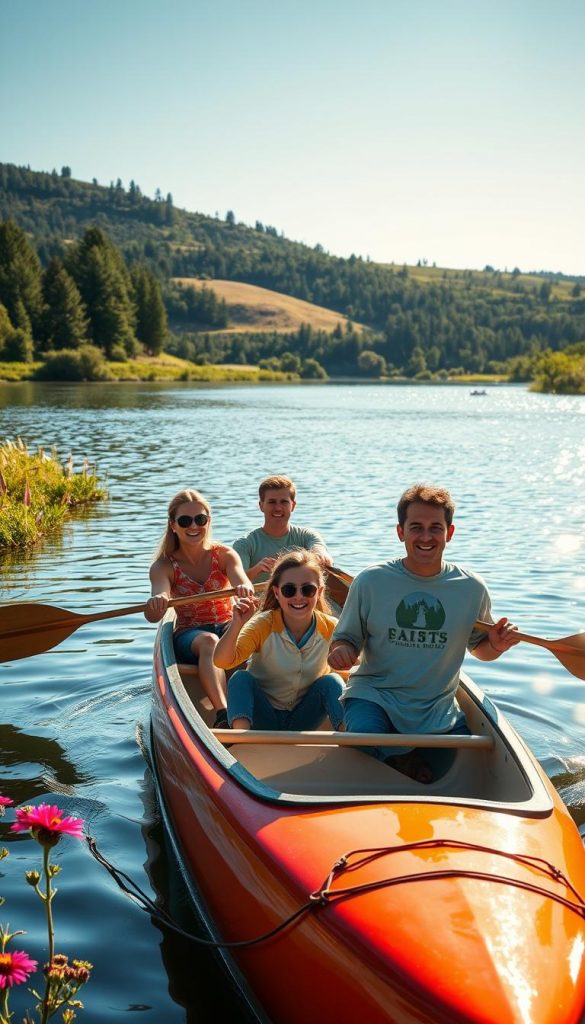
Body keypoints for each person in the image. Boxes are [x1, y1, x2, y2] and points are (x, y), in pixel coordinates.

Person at [328, 483, 520, 782]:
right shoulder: (370, 581)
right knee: (364, 739)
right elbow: (346, 638)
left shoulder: (471, 588)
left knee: (469, 770)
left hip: (437, 708)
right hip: (376, 696)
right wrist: (342, 651)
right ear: (401, 531)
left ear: (450, 533)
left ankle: (398, 759)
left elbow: (480, 649)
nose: (426, 537)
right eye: (416, 527)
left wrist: (496, 645)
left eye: (436, 528)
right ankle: (397, 756)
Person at [145, 488, 254, 727]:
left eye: (200, 519)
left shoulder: (224, 554)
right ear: (173, 525)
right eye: (185, 520)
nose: (193, 526)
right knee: (209, 642)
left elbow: (241, 580)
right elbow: (155, 611)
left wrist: (244, 589)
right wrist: (158, 601)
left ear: (208, 521)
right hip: (190, 635)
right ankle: (222, 713)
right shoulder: (163, 566)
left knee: (260, 636)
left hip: (227, 625)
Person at [213, 549, 344, 732]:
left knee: (332, 682)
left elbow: (358, 666)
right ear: (276, 592)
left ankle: (353, 742)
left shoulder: (332, 627)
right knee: (240, 678)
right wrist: (237, 624)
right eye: (289, 590)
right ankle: (240, 740)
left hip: (303, 719)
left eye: (308, 590)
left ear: (319, 592)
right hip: (261, 717)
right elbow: (221, 661)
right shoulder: (262, 624)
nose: (299, 596)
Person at [232, 475, 332, 583]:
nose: (278, 508)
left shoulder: (307, 535)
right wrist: (257, 569)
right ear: (261, 506)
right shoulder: (244, 544)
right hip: (260, 599)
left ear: (293, 506)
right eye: (272, 502)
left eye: (284, 502)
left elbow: (322, 554)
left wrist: (319, 554)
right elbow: (235, 581)